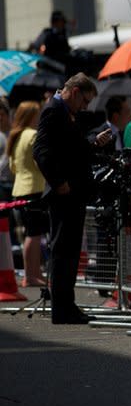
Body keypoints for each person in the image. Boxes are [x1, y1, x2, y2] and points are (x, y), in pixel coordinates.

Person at [33, 73, 112, 324]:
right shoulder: (53, 111)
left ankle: (67, 304)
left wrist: (93, 142)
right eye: (85, 101)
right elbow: (41, 151)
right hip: (64, 192)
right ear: (75, 91)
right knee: (63, 251)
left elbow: (70, 148)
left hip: (74, 190)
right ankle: (62, 307)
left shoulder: (63, 111)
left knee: (70, 251)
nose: (85, 107)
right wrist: (59, 183)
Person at [8, 101, 47, 287]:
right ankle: (31, 275)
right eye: (38, 114)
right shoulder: (33, 135)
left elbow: (12, 167)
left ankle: (32, 273)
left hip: (18, 189)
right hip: (34, 189)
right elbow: (40, 162)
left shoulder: (16, 136)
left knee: (29, 234)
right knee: (34, 234)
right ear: (32, 116)